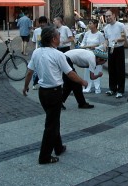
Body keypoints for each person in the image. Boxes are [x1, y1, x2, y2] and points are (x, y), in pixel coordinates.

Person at [22, 26, 88, 165]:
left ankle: (58, 147)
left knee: (53, 120)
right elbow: (70, 73)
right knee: (51, 125)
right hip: (54, 92)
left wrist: (25, 86)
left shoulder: (37, 52)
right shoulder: (59, 55)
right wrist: (82, 81)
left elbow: (29, 72)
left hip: (43, 93)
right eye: (58, 35)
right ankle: (44, 156)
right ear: (53, 39)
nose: (60, 37)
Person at [103, 10, 127, 98]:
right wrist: (105, 44)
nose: (108, 18)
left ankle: (120, 90)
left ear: (114, 15)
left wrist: (117, 40)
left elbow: (124, 37)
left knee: (120, 70)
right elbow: (106, 38)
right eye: (106, 16)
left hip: (119, 48)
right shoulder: (106, 28)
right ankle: (112, 88)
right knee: (111, 69)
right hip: (110, 49)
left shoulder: (120, 25)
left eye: (109, 16)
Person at [80, 19, 105, 94]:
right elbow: (83, 43)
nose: (89, 25)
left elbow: (103, 45)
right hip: (88, 54)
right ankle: (87, 86)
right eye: (89, 23)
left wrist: (96, 48)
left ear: (95, 25)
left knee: (96, 70)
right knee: (87, 71)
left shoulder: (100, 34)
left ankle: (97, 87)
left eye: (90, 23)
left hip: (96, 54)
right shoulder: (87, 33)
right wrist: (83, 46)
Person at [31, 16, 48, 90]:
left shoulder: (49, 30)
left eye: (43, 23)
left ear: (46, 23)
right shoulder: (36, 31)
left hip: (47, 52)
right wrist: (34, 51)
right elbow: (34, 41)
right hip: (38, 52)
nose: (42, 24)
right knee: (36, 69)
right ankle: (35, 83)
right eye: (40, 23)